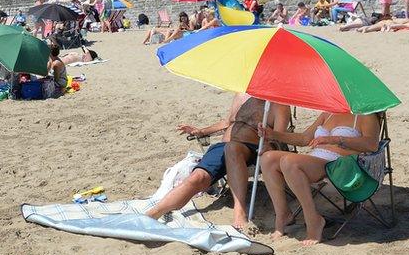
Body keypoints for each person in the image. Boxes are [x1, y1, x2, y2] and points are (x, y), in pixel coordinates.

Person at [145, 94, 291, 230]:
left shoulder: (279, 105)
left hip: (252, 149)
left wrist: (269, 142)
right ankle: (154, 214)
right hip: (223, 146)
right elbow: (228, 123)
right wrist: (202, 131)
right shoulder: (241, 95)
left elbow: (280, 138)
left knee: (233, 148)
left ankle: (239, 213)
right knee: (198, 178)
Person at [258, 112, 380, 245]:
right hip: (315, 161)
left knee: (289, 162)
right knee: (267, 158)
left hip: (338, 166)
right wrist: (273, 135)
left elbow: (371, 144)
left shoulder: (365, 115)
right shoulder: (328, 114)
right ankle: (283, 214)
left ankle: (313, 219)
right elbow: (304, 139)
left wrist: (335, 139)